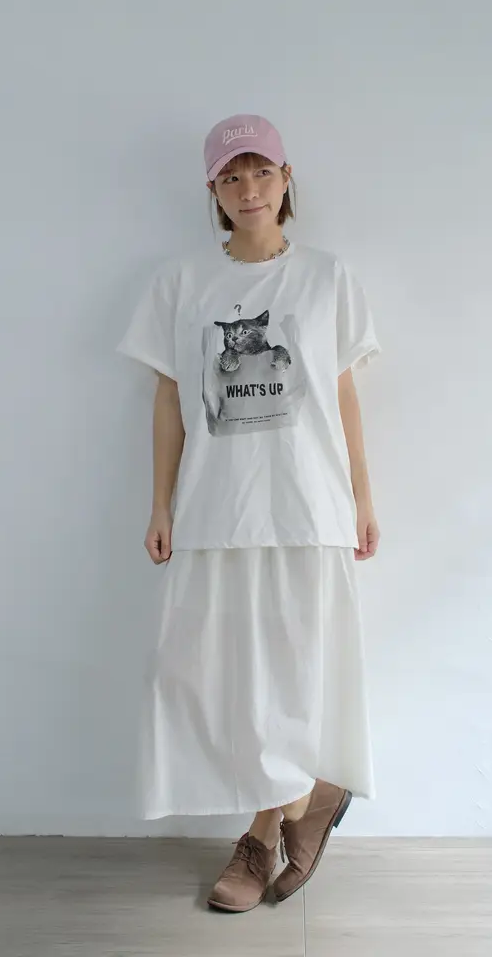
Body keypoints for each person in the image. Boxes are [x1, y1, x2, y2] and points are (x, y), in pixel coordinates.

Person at [117, 113, 381, 913]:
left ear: (286, 178)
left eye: (261, 171)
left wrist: (363, 498)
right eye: (231, 176)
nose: (247, 188)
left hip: (306, 503)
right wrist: (160, 502)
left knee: (292, 678)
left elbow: (342, 394)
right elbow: (169, 399)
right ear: (213, 189)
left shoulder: (326, 277)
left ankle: (262, 837)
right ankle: (308, 797)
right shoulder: (181, 283)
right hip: (214, 507)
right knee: (199, 676)